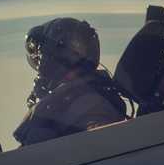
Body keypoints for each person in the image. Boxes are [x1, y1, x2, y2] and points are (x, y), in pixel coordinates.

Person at [12, 16, 130, 147]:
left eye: (41, 56)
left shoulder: (91, 105)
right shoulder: (67, 101)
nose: (40, 65)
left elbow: (103, 146)